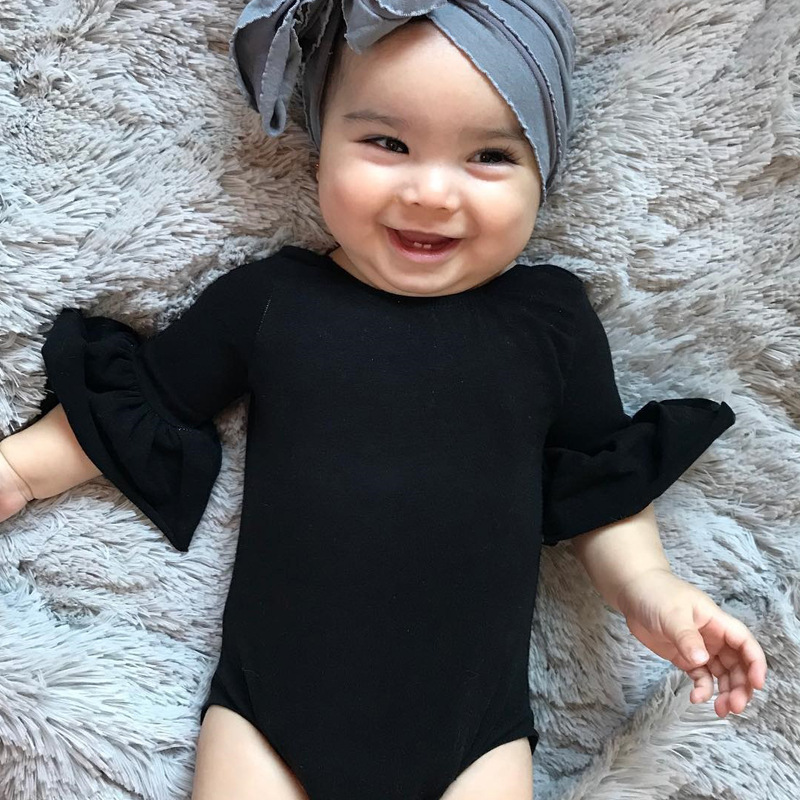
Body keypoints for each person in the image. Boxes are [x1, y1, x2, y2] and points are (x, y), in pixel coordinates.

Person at [0, 2, 767, 799]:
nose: (431, 192)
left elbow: (599, 486)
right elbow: (150, 404)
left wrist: (649, 589)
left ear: (545, 171)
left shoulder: (551, 322)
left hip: (474, 740)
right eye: (388, 144)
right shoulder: (273, 301)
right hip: (268, 722)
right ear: (320, 143)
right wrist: (18, 470)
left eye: (490, 156)